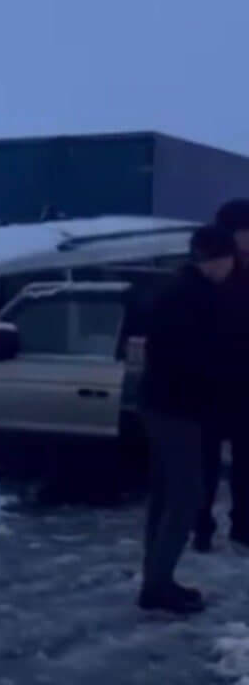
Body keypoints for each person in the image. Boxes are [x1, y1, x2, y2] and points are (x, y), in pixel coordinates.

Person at [138, 224, 235, 614]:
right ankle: (158, 586)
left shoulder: (182, 290)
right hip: (176, 409)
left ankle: (156, 579)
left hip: (166, 405)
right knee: (185, 496)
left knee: (165, 495)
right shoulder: (190, 297)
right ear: (217, 260)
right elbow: (189, 358)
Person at [196, 198, 249, 551]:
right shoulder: (210, 277)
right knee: (206, 466)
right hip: (211, 385)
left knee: (246, 464)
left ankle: (243, 527)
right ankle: (201, 528)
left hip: (244, 387)